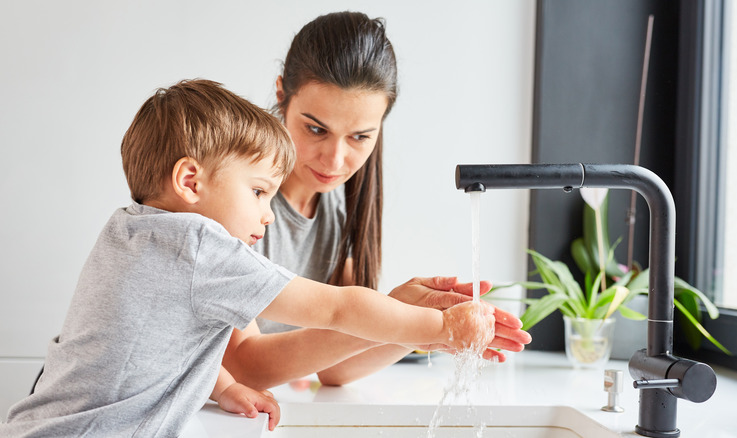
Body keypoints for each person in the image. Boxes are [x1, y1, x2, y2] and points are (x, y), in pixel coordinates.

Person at [0, 79, 496, 437]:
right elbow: (338, 307)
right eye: (259, 192)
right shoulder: (203, 247)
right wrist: (440, 331)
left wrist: (220, 386)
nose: (269, 214)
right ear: (190, 182)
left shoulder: (129, 231)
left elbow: (146, 343)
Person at [222, 11, 532, 392]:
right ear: (282, 94)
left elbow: (338, 369)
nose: (335, 160)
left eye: (359, 137)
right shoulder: (233, 200)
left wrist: (417, 325)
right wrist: (399, 315)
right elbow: (244, 366)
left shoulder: (337, 213)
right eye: (316, 129)